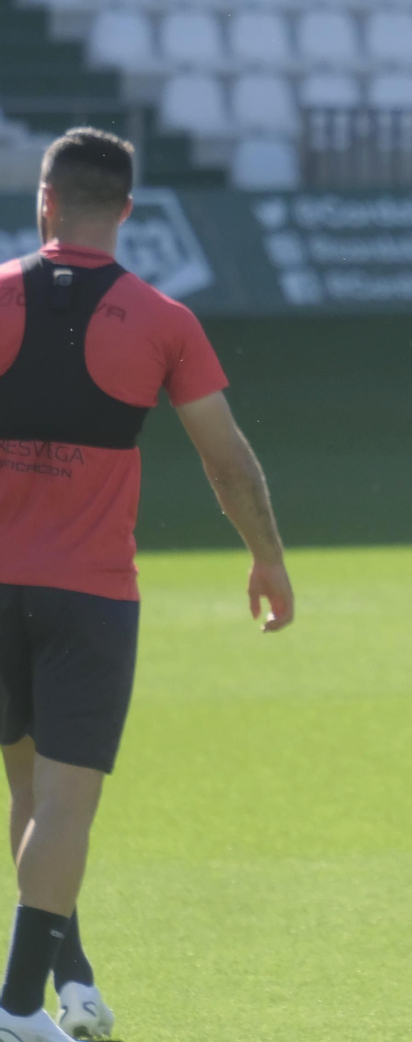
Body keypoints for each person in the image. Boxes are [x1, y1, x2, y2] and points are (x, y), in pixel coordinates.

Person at [0, 128, 294, 1042]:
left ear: (43, 201)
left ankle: (69, 979)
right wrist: (267, 556)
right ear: (127, 212)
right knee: (65, 805)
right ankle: (14, 1009)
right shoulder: (165, 321)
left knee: (28, 796)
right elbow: (229, 463)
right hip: (89, 596)